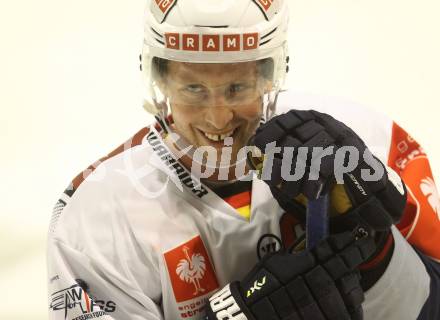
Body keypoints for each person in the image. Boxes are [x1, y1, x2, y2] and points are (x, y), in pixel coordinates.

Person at [47, 0, 440, 319]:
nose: (218, 118)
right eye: (193, 88)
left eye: (237, 88)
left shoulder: (368, 138)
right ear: (161, 82)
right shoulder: (97, 215)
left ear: (270, 77)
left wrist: (377, 263)